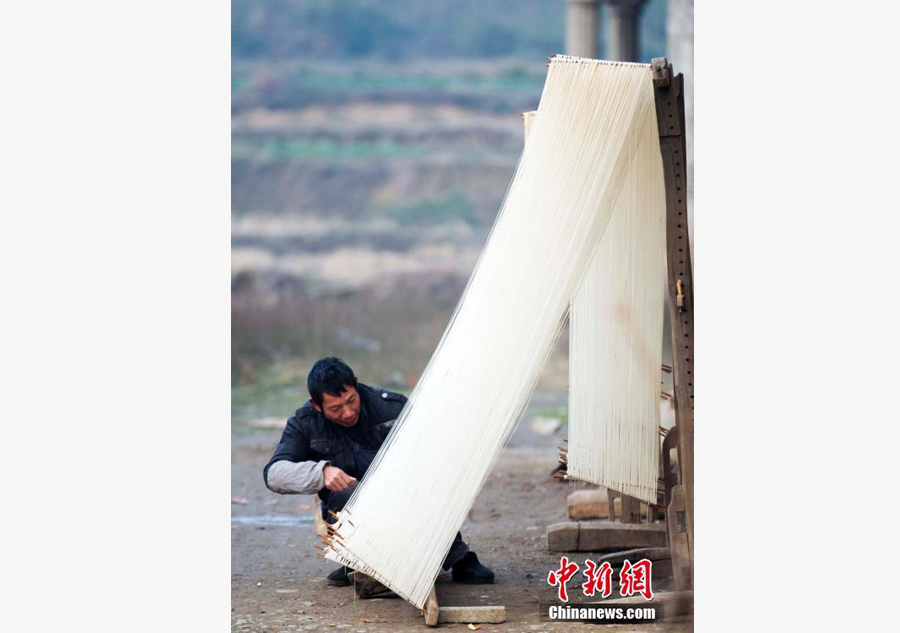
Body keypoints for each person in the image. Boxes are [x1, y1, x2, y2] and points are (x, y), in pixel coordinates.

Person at [264, 357, 495, 591]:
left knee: (428, 481)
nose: (347, 412)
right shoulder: (304, 422)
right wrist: (320, 472)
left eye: (351, 400)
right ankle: (356, 559)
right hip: (351, 510)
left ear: (356, 384)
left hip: (405, 499)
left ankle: (457, 557)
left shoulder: (392, 408)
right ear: (316, 405)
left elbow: (434, 451)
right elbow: (273, 474)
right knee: (346, 491)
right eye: (335, 408)